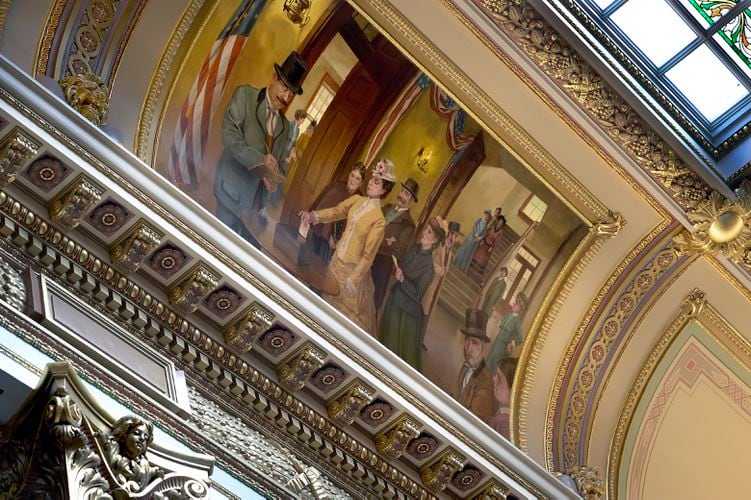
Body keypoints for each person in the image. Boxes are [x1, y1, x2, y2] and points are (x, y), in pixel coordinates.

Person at [213, 51, 307, 247]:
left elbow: (280, 165)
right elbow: (229, 136)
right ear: (274, 79)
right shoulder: (245, 96)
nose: (286, 97)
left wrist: (274, 179)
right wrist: (259, 159)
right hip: (230, 194)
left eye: (291, 93)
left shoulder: (283, 125)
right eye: (284, 87)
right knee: (219, 248)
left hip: (255, 209)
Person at [298, 160, 396, 332]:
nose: (371, 184)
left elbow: (368, 256)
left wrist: (354, 279)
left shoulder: (379, 221)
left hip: (350, 272)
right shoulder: (357, 199)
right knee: (323, 303)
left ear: (384, 190)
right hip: (336, 261)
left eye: (377, 182)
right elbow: (336, 212)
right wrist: (313, 216)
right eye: (372, 179)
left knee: (338, 317)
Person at [380, 217, 445, 370]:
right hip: (395, 298)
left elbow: (417, 294)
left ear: (434, 240)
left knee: (393, 348)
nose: (424, 233)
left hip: (405, 311)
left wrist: (403, 279)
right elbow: (403, 263)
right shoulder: (414, 248)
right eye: (425, 229)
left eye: (428, 232)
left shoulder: (429, 268)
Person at [371, 177, 419, 311]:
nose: (402, 195)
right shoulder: (386, 208)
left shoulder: (408, 224)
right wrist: (388, 239)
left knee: (372, 301)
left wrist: (383, 240)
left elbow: (399, 249)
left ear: (411, 201)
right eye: (403, 191)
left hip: (382, 263)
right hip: (369, 252)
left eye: (407, 194)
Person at [307, 162, 367, 263]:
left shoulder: (360, 201)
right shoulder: (336, 187)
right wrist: (328, 235)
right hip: (321, 233)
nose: (353, 180)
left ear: (361, 183)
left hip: (339, 245)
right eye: (352, 176)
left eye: (357, 178)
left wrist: (338, 242)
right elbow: (320, 203)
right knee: (310, 260)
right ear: (349, 175)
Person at [260, 109, 309, 221]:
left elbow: (293, 145)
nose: (303, 121)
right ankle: (264, 206)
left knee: (281, 179)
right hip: (280, 155)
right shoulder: (289, 125)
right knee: (273, 178)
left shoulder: (298, 130)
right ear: (299, 117)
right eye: (303, 119)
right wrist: (284, 157)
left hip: (286, 158)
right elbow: (283, 142)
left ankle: (270, 202)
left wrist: (292, 155)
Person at [420, 219, 461, 345]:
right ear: (450, 235)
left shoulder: (450, 250)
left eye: (457, 237)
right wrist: (438, 270)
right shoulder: (439, 245)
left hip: (436, 286)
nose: (457, 239)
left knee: (428, 312)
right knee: (422, 309)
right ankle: (415, 337)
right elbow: (428, 259)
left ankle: (420, 340)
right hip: (429, 283)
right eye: (456, 236)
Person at [455, 308, 494, 423]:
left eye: (475, 343)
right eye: (467, 340)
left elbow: (475, 421)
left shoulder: (485, 382)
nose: (468, 348)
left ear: (484, 348)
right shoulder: (466, 366)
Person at [486, 293, 528, 374]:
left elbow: (520, 339)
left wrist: (511, 343)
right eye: (515, 302)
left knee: (495, 365)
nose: (513, 304)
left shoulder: (517, 322)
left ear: (520, 308)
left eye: (516, 303)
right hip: (497, 341)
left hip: (503, 347)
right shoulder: (509, 315)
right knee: (490, 361)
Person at [471, 209, 506, 277]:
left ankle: (476, 273)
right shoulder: (493, 227)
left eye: (501, 223)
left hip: (489, 247)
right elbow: (486, 233)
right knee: (477, 255)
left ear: (502, 224)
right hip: (484, 243)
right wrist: (483, 240)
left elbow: (497, 241)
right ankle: (471, 268)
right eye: (499, 221)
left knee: (482, 259)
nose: (499, 223)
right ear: (498, 221)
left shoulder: (500, 232)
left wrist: (491, 247)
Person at [490, 357, 517, 439]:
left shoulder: (504, 423)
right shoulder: (504, 417)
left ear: (512, 390)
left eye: (499, 377)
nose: (494, 379)